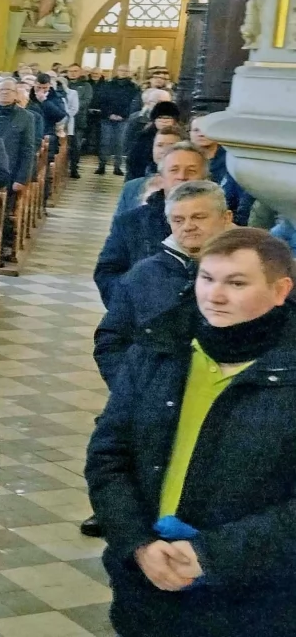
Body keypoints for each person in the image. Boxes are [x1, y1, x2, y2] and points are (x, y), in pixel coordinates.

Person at [87, 227, 296, 637]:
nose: (214, 296)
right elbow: (109, 455)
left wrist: (212, 555)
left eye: (236, 283)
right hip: (147, 582)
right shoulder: (159, 348)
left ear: (280, 290)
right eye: (207, 278)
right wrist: (138, 544)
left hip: (258, 598)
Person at [94, 180, 234, 386]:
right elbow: (111, 341)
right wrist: (133, 390)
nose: (188, 226)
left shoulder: (249, 272)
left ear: (226, 218)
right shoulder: (144, 274)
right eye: (178, 220)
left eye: (199, 217)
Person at [95, 142, 209, 304]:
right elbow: (107, 272)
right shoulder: (131, 222)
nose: (182, 177)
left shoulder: (219, 224)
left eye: (191, 171)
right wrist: (130, 303)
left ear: (205, 179)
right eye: (174, 170)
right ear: (161, 178)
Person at [115, 125, 185, 217]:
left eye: (171, 146)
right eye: (159, 145)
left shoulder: (191, 187)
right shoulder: (131, 187)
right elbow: (119, 225)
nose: (163, 150)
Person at [93, 64, 137, 175]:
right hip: (107, 117)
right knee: (105, 142)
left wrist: (123, 115)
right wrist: (109, 114)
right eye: (121, 70)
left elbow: (133, 104)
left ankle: (117, 166)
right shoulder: (108, 85)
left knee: (120, 143)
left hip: (123, 119)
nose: (123, 72)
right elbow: (102, 101)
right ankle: (102, 165)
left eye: (126, 71)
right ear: (117, 71)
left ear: (129, 73)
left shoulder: (133, 87)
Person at [125, 101, 181, 182]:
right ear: (154, 120)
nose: (164, 121)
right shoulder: (143, 137)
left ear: (175, 120)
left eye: (168, 118)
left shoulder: (181, 137)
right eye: (160, 117)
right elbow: (133, 161)